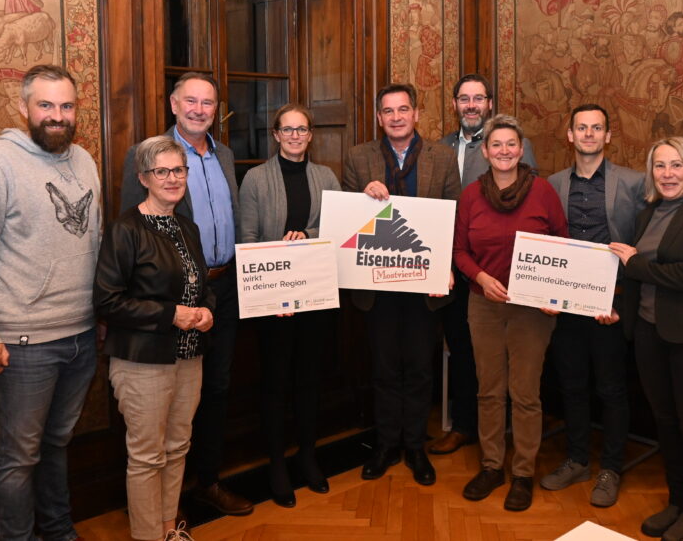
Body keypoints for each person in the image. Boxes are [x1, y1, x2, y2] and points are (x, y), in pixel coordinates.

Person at [0, 64, 101, 541]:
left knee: (58, 443)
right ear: (23, 108)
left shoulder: (84, 161)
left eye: (66, 106)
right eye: (46, 105)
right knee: (19, 458)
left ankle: (59, 532)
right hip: (23, 343)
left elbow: (94, 243)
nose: (57, 116)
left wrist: (99, 314)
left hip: (80, 335)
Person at [120, 72, 252, 516]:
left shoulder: (225, 155)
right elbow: (132, 231)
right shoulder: (149, 155)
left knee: (216, 388)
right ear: (173, 104)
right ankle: (160, 507)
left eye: (208, 103)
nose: (199, 110)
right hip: (170, 303)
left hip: (224, 290)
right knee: (165, 401)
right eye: (190, 101)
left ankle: (206, 483)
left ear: (217, 109)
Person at [608, 136, 683, 541]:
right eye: (659, 166)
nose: (667, 174)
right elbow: (634, 274)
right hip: (650, 333)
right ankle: (677, 501)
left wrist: (637, 264)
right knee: (666, 422)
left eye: (676, 165)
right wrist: (616, 306)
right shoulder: (648, 213)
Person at [95, 136, 214, 541]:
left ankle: (169, 529)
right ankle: (147, 536)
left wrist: (208, 310)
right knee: (147, 456)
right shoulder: (125, 229)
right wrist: (171, 314)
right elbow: (108, 301)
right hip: (142, 361)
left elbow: (200, 284)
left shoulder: (187, 226)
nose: (172, 178)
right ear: (144, 177)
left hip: (189, 357)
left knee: (178, 446)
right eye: (161, 171)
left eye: (178, 170)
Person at [342, 83, 460, 487]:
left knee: (420, 370)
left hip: (424, 287)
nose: (396, 117)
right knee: (385, 369)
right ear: (379, 118)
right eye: (388, 111)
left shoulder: (442, 158)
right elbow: (345, 218)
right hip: (377, 286)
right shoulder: (358, 157)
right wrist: (362, 196)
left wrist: (445, 267)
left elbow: (453, 215)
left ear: (416, 114)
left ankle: (415, 447)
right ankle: (386, 445)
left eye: (403, 109)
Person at [453, 114, 568, 513]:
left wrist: (552, 292)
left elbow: (561, 245)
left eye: (511, 144)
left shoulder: (543, 192)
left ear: (521, 149)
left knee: (524, 392)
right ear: (484, 151)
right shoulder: (470, 195)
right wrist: (482, 278)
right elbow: (458, 251)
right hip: (483, 303)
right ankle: (490, 466)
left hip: (531, 308)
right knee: (488, 389)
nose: (504, 151)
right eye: (496, 145)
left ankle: (522, 473)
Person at [541, 104, 645, 506]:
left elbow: (644, 242)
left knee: (612, 387)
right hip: (567, 303)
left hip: (612, 305)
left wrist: (624, 297)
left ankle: (612, 467)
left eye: (596, 128)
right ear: (569, 135)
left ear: (608, 135)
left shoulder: (634, 183)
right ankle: (578, 459)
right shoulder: (552, 184)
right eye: (581, 128)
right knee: (572, 383)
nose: (588, 134)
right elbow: (546, 240)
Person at [238, 103, 340, 507]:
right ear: (276, 135)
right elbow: (246, 238)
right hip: (272, 301)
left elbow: (336, 228)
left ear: (310, 135)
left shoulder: (326, 176)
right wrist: (279, 251)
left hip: (315, 296)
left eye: (302, 129)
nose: (296, 136)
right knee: (276, 382)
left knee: (309, 380)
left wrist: (306, 234)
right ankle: (277, 464)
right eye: (288, 129)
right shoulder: (255, 179)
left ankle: (308, 457)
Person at [433, 73, 537, 456]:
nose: (471, 105)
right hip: (453, 264)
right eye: (464, 99)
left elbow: (531, 204)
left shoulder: (509, 145)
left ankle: (506, 429)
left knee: (509, 357)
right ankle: (465, 425)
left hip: (500, 271)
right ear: (456, 104)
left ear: (490, 103)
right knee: (462, 346)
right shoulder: (440, 149)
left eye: (479, 98)